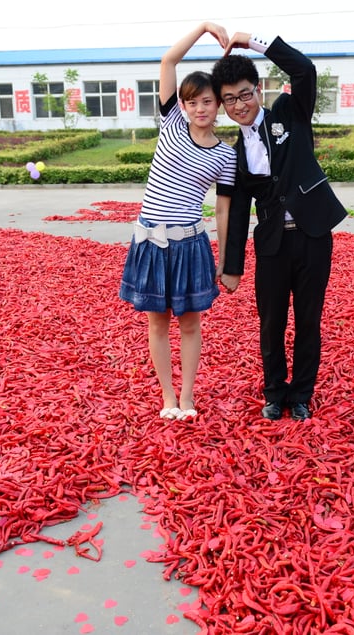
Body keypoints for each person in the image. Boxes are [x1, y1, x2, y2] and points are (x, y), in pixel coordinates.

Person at [212, 32, 347, 422]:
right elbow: (237, 211)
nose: (240, 104)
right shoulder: (231, 154)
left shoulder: (289, 111)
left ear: (258, 90)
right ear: (223, 105)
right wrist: (232, 266)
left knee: (309, 320)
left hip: (312, 236)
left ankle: (302, 393)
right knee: (271, 324)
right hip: (271, 246)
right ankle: (274, 393)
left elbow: (304, 69)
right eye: (230, 99)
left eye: (245, 93)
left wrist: (252, 41)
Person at [119, 22, 237, 420]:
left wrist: (225, 260)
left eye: (206, 101)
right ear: (182, 105)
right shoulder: (170, 124)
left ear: (217, 105)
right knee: (157, 324)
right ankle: (167, 397)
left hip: (190, 244)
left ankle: (187, 397)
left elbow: (223, 210)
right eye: (192, 102)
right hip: (151, 241)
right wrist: (203, 27)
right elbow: (168, 60)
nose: (199, 109)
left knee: (189, 324)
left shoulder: (226, 155)